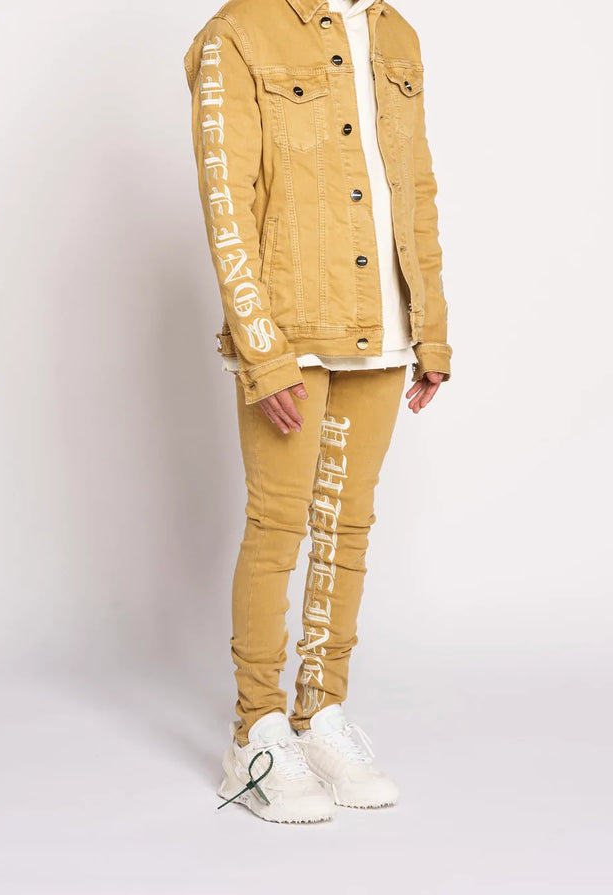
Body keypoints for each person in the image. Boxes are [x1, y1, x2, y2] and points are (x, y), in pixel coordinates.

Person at [183, 0, 452, 824]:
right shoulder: (238, 32)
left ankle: (320, 711)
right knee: (278, 526)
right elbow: (225, 197)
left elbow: (417, 189)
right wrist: (261, 348)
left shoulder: (396, 33)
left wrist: (432, 328)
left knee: (347, 527)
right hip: (290, 331)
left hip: (385, 328)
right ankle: (255, 732)